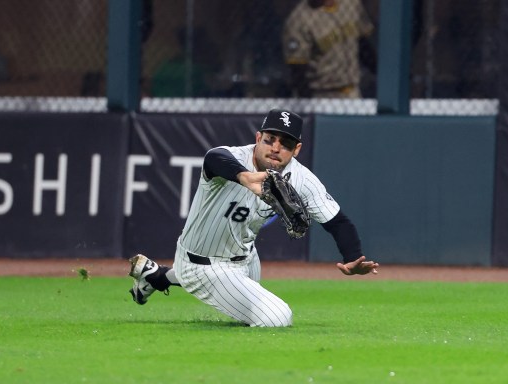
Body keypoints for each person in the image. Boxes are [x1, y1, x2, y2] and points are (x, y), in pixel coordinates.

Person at [127, 108, 379, 327]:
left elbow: (337, 222)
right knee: (276, 317)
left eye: (286, 144)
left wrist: (352, 257)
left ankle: (156, 276)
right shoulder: (233, 158)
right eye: (270, 139)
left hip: (246, 257)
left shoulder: (300, 178)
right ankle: (171, 276)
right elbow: (213, 158)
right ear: (258, 138)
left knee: (251, 309)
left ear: (297, 149)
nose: (276, 148)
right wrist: (243, 176)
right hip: (202, 263)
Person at [282, 0, 374, 98]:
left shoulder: (350, 3)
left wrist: (382, 75)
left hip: (353, 91)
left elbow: (363, 46)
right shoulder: (298, 20)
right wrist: (307, 101)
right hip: (321, 94)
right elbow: (298, 70)